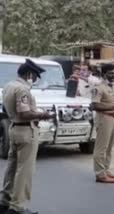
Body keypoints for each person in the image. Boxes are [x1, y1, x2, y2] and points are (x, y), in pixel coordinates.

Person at [0, 59, 55, 214]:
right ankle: (17, 206)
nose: (35, 79)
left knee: (12, 168)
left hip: (14, 128)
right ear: (29, 74)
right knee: (25, 170)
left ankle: (5, 200)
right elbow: (25, 114)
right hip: (26, 131)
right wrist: (45, 114)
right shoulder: (23, 89)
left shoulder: (9, 86)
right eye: (35, 76)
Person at [91, 64, 114, 184]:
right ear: (104, 73)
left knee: (109, 147)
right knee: (101, 147)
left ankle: (106, 170)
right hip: (104, 118)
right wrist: (112, 106)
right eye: (110, 73)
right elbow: (94, 105)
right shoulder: (98, 87)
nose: (113, 75)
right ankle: (99, 174)